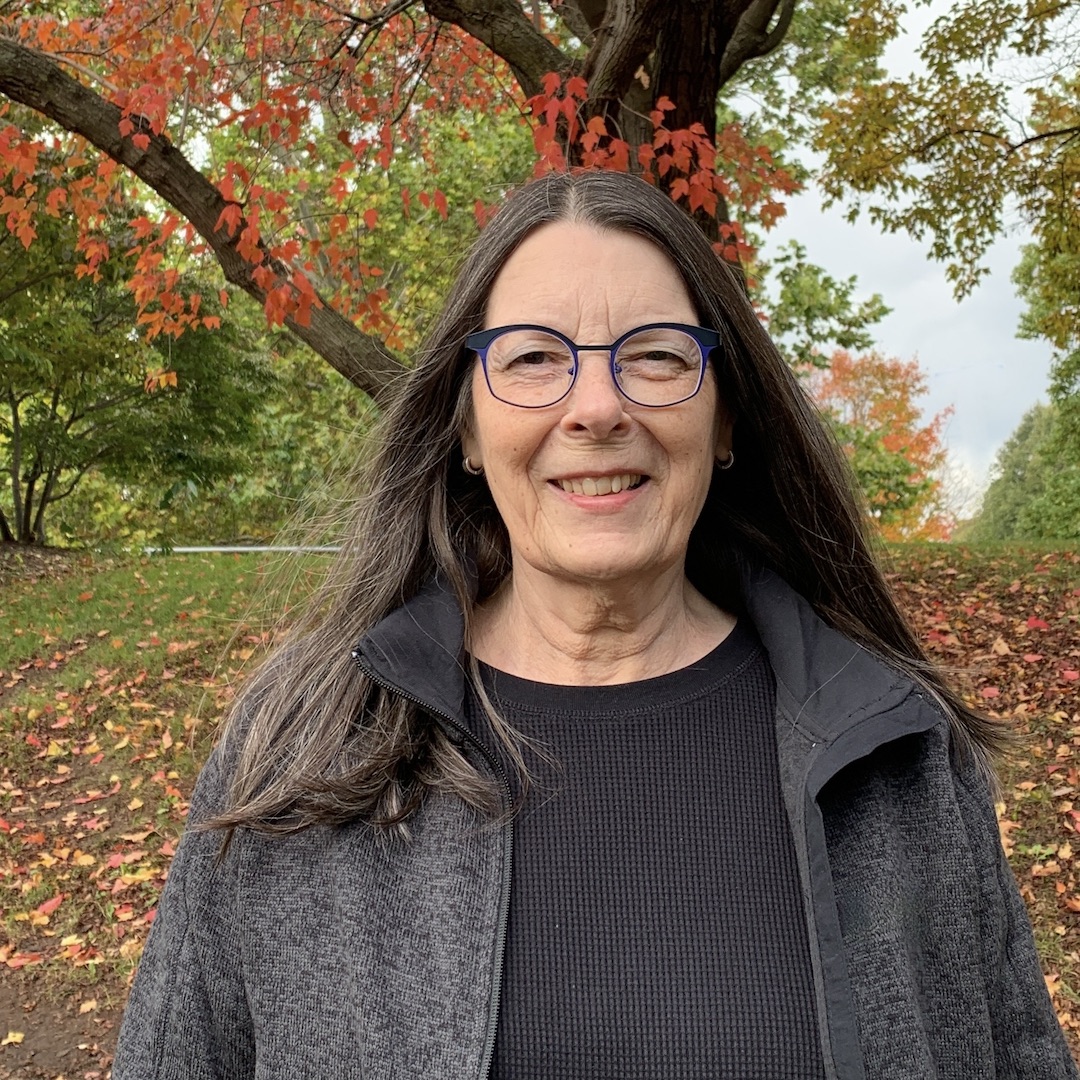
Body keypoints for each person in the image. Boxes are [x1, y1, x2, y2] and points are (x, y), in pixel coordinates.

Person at [112, 170, 1078, 1080]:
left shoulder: (897, 749)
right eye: (534, 359)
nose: (598, 408)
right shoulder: (303, 746)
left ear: (728, 417)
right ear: (467, 429)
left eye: (655, 357)